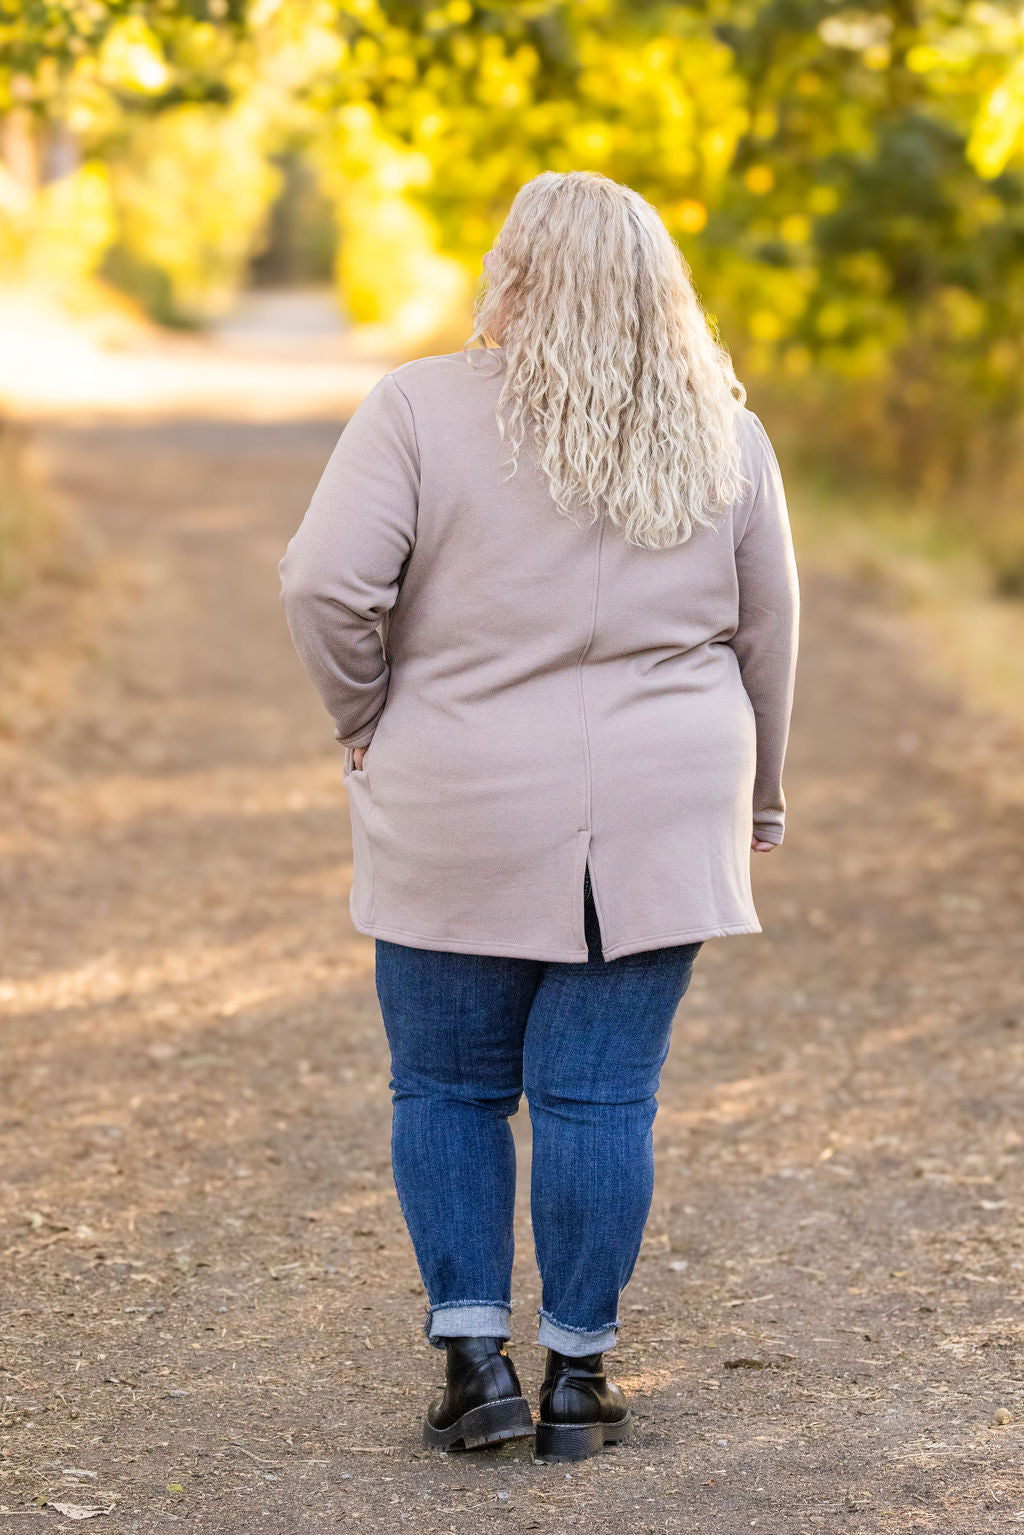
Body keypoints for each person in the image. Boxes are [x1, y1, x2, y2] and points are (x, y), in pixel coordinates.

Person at [278, 169, 800, 1462]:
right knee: (599, 1102)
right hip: (664, 799)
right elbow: (768, 634)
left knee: (450, 1086)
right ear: (657, 284)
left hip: (459, 791)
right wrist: (763, 793)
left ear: (508, 272)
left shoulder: (418, 409)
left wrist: (367, 715)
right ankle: (578, 1378)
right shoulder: (723, 433)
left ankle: (475, 1371)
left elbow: (325, 586)